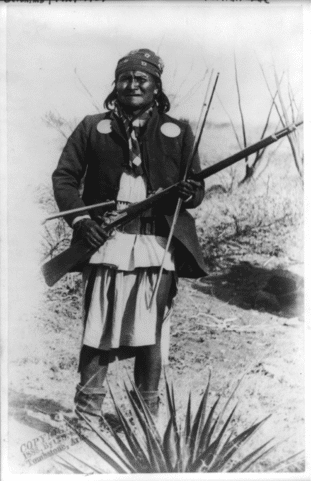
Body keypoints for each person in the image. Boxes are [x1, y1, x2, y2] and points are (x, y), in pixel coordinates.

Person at [52, 49, 207, 424]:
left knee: (150, 334)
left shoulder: (179, 130)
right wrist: (81, 221)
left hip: (157, 246)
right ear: (115, 84)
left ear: (156, 86)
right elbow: (64, 178)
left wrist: (190, 192)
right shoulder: (92, 127)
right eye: (125, 78)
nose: (133, 84)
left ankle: (143, 421)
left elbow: (197, 189)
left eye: (142, 79)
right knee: (97, 329)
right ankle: (87, 416)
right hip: (105, 244)